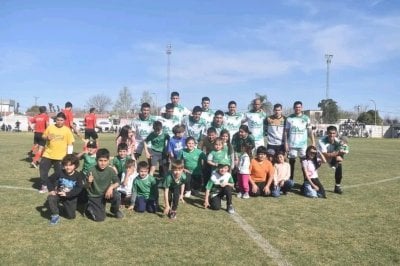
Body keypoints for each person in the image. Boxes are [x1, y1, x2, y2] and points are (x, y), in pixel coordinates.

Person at [38, 112, 75, 193]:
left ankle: (55, 186)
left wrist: (69, 156)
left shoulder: (67, 130)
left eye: (61, 120)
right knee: (43, 170)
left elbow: (70, 143)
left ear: (64, 121)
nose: (59, 122)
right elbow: (43, 136)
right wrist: (47, 137)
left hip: (60, 156)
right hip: (48, 154)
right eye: (58, 120)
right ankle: (44, 185)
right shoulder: (50, 127)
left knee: (58, 173)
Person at [85, 148, 124, 221]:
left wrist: (111, 187)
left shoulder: (110, 170)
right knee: (100, 218)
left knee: (117, 195)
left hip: (106, 194)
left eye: (105, 161)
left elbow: (118, 182)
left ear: (108, 161)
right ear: (96, 160)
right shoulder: (91, 170)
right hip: (95, 195)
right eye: (100, 160)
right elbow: (86, 187)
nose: (103, 163)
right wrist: (89, 182)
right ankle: (89, 207)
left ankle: (114, 210)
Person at [47, 154, 84, 225]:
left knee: (71, 216)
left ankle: (64, 208)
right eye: (66, 165)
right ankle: (55, 215)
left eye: (70, 165)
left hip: (70, 197)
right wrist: (51, 190)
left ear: (75, 166)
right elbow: (49, 180)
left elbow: (79, 188)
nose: (68, 167)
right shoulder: (60, 172)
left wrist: (67, 194)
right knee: (51, 198)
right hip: (59, 194)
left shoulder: (78, 175)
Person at [284, 101, 314, 182]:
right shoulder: (289, 118)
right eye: (296, 107)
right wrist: (286, 143)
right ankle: (290, 181)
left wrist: (313, 142)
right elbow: (286, 131)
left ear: (302, 108)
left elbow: (310, 131)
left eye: (299, 107)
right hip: (292, 144)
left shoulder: (306, 118)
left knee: (304, 163)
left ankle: (306, 181)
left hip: (303, 145)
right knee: (291, 163)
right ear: (294, 108)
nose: (298, 109)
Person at [318, 125, 347, 194]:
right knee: (314, 164)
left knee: (339, 161)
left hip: (332, 155)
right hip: (321, 156)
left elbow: (345, 149)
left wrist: (342, 154)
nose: (332, 135)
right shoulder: (321, 141)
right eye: (330, 133)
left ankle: (337, 187)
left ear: (336, 133)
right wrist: (338, 153)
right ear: (327, 133)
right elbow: (325, 155)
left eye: (333, 133)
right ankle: (309, 183)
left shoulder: (338, 141)